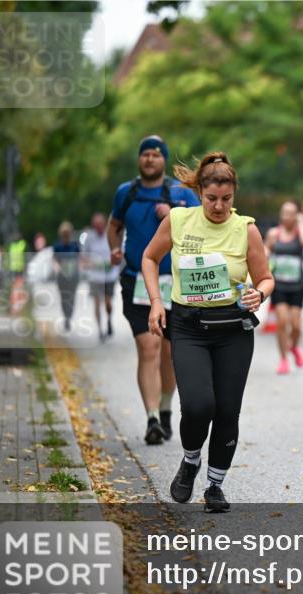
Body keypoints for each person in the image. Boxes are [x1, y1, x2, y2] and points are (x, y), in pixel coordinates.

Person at [142, 152, 273, 513]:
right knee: (199, 405)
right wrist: (156, 301)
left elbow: (265, 277)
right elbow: (150, 258)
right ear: (199, 191)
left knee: (228, 410)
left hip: (233, 328)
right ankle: (190, 460)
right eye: (211, 198)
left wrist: (258, 293)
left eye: (226, 200)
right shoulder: (179, 220)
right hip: (188, 326)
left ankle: (215, 486)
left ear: (235, 195)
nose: (218, 206)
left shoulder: (246, 228)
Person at [108, 135, 199, 445]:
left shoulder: (180, 191)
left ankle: (164, 409)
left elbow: (203, 224)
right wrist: (114, 249)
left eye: (156, 155)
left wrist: (174, 212)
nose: (149, 159)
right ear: (139, 159)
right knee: (148, 348)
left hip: (174, 283)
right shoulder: (126, 192)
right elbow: (113, 225)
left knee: (170, 353)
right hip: (136, 281)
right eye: (145, 154)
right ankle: (151, 420)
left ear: (164, 160)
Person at [265, 198, 303, 374]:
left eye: (291, 213)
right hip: (279, 286)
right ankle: (284, 359)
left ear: (297, 215)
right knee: (282, 322)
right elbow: (265, 250)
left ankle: (293, 347)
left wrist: (300, 223)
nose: (286, 216)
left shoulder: (301, 232)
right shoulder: (273, 233)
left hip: (297, 285)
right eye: (284, 212)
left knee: (296, 326)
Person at [82, 212, 120, 341]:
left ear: (104, 224)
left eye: (100, 225)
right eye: (95, 225)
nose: (98, 227)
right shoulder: (89, 238)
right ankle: (100, 330)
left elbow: (118, 251)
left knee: (108, 302)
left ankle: (109, 319)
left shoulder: (110, 235)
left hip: (109, 275)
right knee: (97, 303)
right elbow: (83, 257)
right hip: (94, 276)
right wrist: (90, 263)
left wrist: (113, 261)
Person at [52, 221, 81, 332]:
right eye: (64, 234)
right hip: (62, 276)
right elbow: (54, 260)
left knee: (72, 297)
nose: (66, 236)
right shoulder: (57, 246)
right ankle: (66, 317)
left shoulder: (75, 246)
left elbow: (79, 259)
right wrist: (58, 268)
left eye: (67, 234)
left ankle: (69, 315)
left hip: (73, 275)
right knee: (64, 297)